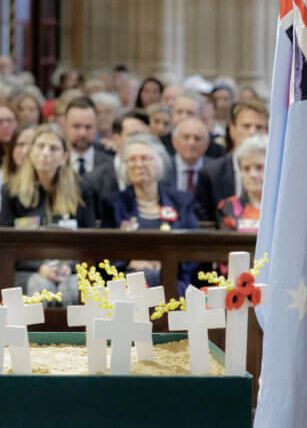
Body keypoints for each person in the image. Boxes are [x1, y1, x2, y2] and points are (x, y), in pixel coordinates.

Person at [0, 125, 95, 302]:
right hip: (26, 269)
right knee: (42, 288)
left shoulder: (81, 190)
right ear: (31, 151)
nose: (45, 153)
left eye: (53, 148)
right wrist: (39, 267)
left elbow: (90, 241)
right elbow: (5, 245)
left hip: (70, 268)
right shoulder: (12, 191)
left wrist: (70, 267)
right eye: (40, 146)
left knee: (71, 288)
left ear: (65, 157)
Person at [109, 134, 198, 294]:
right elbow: (106, 248)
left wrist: (168, 262)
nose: (139, 165)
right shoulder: (114, 203)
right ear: (125, 167)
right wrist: (130, 261)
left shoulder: (181, 201)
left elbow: (194, 246)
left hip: (172, 276)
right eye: (132, 160)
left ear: (159, 162)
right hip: (129, 279)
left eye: (145, 158)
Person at [194, 100, 268, 225]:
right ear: (232, 130)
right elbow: (204, 225)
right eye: (246, 126)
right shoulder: (210, 174)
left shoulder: (279, 172)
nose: (252, 132)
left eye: (259, 127)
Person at [0, 124, 35, 223]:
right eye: (20, 144)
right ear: (11, 149)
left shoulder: (43, 182)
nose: (25, 151)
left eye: (30, 145)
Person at [217, 134, 267, 233]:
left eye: (259, 167)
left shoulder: (284, 208)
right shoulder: (228, 207)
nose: (253, 174)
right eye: (246, 168)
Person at [64, 97, 113, 176]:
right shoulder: (56, 162)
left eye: (88, 127)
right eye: (76, 126)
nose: (83, 133)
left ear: (96, 127)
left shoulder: (111, 162)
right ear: (65, 127)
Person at [165, 118, 209, 195]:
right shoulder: (163, 168)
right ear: (174, 141)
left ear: (207, 144)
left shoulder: (216, 171)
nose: (192, 143)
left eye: (197, 138)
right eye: (186, 137)